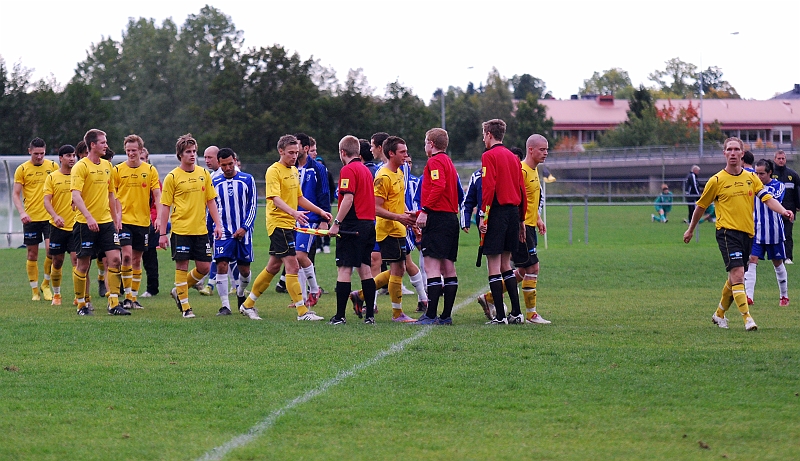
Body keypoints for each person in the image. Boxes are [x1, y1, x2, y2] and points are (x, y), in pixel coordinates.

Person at [683, 137, 794, 331]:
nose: (733, 153)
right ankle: (747, 319)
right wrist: (691, 229)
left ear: (742, 154)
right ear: (724, 153)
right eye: (729, 149)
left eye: (736, 149)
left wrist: (784, 211)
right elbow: (700, 206)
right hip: (727, 233)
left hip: (748, 234)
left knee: (734, 278)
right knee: (738, 274)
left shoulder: (751, 178)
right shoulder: (716, 180)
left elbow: (767, 198)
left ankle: (719, 314)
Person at [239, 134, 332, 321]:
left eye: (296, 152)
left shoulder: (294, 171)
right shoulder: (273, 171)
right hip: (278, 224)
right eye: (290, 152)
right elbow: (275, 198)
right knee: (293, 265)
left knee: (273, 267)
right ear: (280, 151)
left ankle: (247, 305)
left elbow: (299, 198)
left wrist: (321, 211)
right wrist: (294, 213)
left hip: (288, 224)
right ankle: (302, 312)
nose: (294, 156)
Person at [476, 134, 551, 324]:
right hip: (521, 225)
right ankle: (530, 314)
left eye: (547, 149)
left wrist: (538, 218)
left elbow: (529, 200)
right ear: (530, 150)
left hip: (527, 225)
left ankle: (492, 299)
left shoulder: (534, 171)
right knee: (529, 267)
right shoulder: (522, 169)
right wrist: (520, 222)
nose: (546, 153)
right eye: (542, 149)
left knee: (519, 268)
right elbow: (518, 197)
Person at [159, 134, 223, 319]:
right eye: (188, 151)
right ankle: (186, 307)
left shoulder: (204, 174)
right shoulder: (172, 177)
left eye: (194, 151)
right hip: (181, 230)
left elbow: (211, 201)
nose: (193, 154)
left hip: (201, 230)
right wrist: (162, 234)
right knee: (182, 265)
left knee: (204, 267)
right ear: (180, 154)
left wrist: (218, 225)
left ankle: (178, 290)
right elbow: (165, 206)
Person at [71, 129, 128, 316]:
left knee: (115, 259)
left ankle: (113, 303)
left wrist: (116, 217)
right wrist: (88, 217)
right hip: (84, 223)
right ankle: (82, 304)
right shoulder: (80, 167)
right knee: (83, 264)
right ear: (93, 145)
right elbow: (76, 196)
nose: (106, 145)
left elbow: (111, 194)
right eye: (103, 142)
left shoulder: (107, 166)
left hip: (106, 223)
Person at [477, 119, 527, 325]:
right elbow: (522, 190)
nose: (483, 139)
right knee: (507, 264)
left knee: (494, 265)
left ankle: (499, 316)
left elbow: (488, 187)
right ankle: (516, 312)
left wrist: (483, 215)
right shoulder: (514, 158)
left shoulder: (488, 156)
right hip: (513, 213)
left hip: (497, 212)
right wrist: (521, 219)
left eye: (484, 135)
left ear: (489, 134)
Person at [327, 135, 378, 324]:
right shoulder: (366, 170)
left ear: (342, 152)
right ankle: (370, 316)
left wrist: (336, 223)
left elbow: (348, 198)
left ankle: (340, 316)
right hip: (368, 224)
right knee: (365, 270)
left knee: (344, 269)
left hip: (352, 225)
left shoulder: (348, 170)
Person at [414, 128, 460, 325]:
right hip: (450, 218)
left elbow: (438, 185)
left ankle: (431, 315)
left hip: (437, 218)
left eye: (425, 142)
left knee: (431, 266)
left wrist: (425, 210)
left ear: (431, 144)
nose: (425, 146)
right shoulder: (449, 161)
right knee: (448, 267)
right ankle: (446, 316)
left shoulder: (435, 161)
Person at [112, 135, 161, 310]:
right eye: (128, 150)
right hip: (123, 221)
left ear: (141, 150)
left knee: (136, 259)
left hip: (143, 222)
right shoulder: (117, 170)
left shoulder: (150, 170)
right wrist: (116, 215)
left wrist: (159, 218)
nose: (131, 153)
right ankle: (127, 297)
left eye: (134, 150)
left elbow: (157, 195)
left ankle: (133, 297)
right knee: (126, 256)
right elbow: (113, 195)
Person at [210, 148, 257, 316]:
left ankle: (240, 292)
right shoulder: (214, 182)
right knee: (221, 265)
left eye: (230, 164)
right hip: (223, 231)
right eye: (224, 165)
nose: (228, 168)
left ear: (235, 161)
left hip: (243, 232)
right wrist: (211, 230)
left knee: (244, 271)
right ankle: (225, 306)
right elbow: (210, 208)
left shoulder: (247, 179)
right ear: (219, 164)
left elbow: (252, 206)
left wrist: (245, 227)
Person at [13, 137, 59, 301]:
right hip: (31, 218)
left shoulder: (53, 167)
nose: (39, 157)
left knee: (51, 251)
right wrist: (22, 213)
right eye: (36, 154)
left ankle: (45, 284)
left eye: (42, 153)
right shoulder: (22, 169)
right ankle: (34, 291)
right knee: (32, 254)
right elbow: (16, 194)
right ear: (29, 151)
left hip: (49, 218)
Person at [744, 159, 790, 307]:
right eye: (756, 173)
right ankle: (749, 296)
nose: (758, 176)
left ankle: (784, 296)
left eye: (762, 174)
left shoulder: (778, 186)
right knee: (752, 260)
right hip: (755, 231)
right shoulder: (751, 183)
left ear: (770, 172)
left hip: (774, 232)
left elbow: (772, 199)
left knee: (777, 263)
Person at [293, 132, 331, 307]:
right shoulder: (290, 167)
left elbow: (324, 193)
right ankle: (301, 298)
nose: (294, 150)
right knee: (296, 259)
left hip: (311, 218)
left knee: (301, 255)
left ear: (306, 148)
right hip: (293, 217)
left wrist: (324, 219)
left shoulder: (317, 168)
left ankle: (314, 290)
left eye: (297, 146)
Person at [42, 145, 78, 306]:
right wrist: (55, 216)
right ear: (61, 158)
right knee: (57, 261)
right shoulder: (52, 177)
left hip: (76, 226)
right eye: (68, 155)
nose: (72, 158)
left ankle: (78, 296)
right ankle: (56, 294)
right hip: (57, 227)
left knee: (77, 260)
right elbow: (46, 201)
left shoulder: (79, 175)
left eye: (74, 155)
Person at [197, 145, 221, 295]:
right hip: (208, 220)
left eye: (209, 157)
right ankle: (203, 281)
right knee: (211, 252)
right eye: (205, 157)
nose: (206, 160)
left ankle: (209, 284)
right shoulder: (211, 175)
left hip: (221, 221)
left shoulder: (225, 174)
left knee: (220, 253)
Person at [140, 148, 161, 298]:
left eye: (143, 158)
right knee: (126, 255)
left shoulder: (153, 178)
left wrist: (154, 219)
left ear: (147, 159)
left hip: (149, 223)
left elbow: (157, 202)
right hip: (130, 222)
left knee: (150, 257)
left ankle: (152, 288)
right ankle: (122, 288)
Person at [772, 150, 800, 264]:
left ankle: (788, 257)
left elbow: (797, 192)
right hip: (774, 210)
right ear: (774, 159)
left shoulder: (793, 175)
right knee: (775, 234)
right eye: (779, 158)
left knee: (787, 234)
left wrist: (798, 205)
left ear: (785, 159)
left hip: (789, 210)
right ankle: (777, 255)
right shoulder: (770, 174)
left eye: (783, 158)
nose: (781, 160)